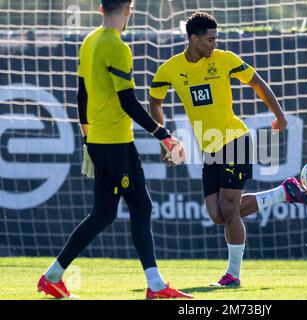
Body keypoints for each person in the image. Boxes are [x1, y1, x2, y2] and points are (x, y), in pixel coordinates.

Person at [37, 0, 193, 300]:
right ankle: (156, 286)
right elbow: (128, 101)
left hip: (103, 139)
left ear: (100, 9)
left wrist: (86, 135)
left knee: (109, 212)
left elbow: (81, 92)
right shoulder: (117, 47)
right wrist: (163, 135)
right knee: (133, 207)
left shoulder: (90, 40)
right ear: (127, 11)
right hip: (114, 142)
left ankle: (53, 276)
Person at [149, 11, 307, 288]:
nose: (215, 44)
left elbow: (256, 82)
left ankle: (233, 276)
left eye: (217, 39)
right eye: (210, 39)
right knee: (217, 215)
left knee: (229, 208)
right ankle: (283, 193)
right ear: (193, 38)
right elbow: (155, 101)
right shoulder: (169, 69)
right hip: (209, 149)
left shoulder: (224, 60)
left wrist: (280, 115)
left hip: (234, 140)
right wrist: (164, 138)